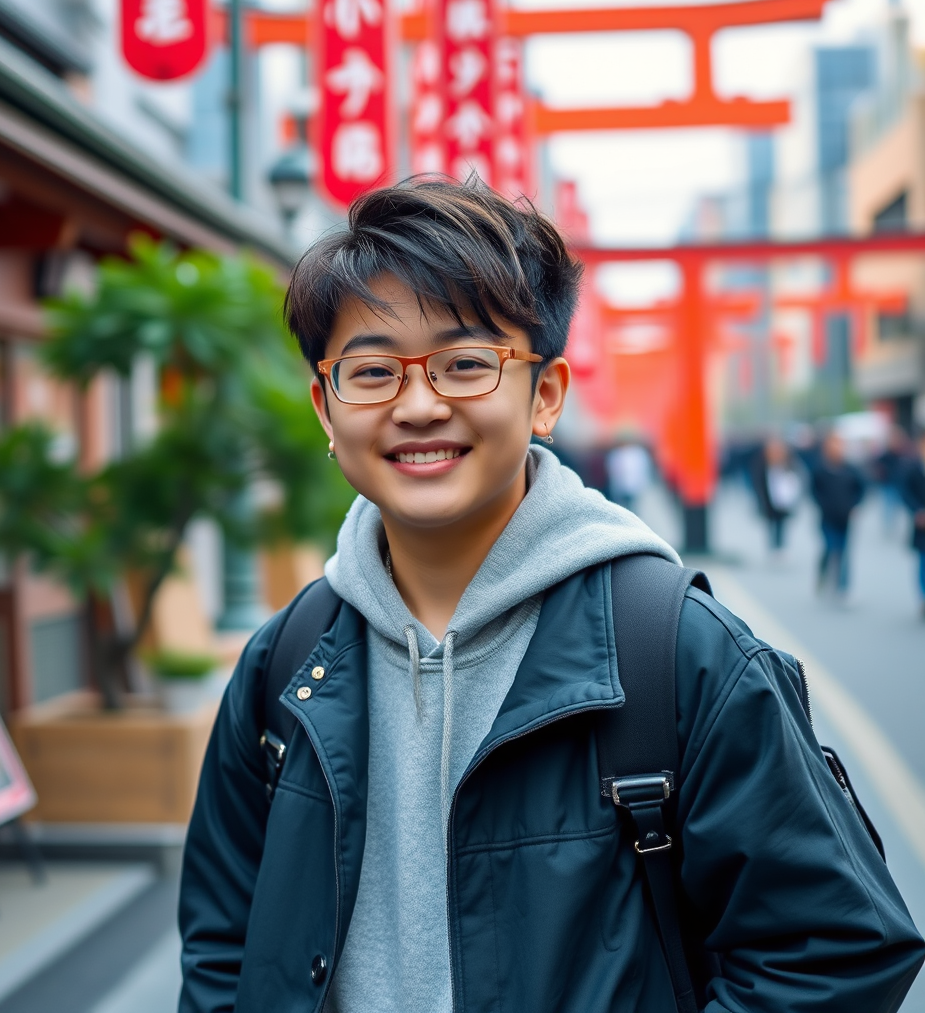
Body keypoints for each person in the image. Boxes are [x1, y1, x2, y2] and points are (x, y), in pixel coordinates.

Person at [178, 177, 923, 1013]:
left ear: (546, 395)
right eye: (373, 370)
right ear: (326, 406)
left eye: (465, 364)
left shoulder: (677, 652)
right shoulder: (285, 662)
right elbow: (222, 946)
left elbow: (837, 946)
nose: (419, 405)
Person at [811, 430, 865, 598]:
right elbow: (814, 490)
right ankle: (823, 575)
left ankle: (842, 587)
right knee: (829, 548)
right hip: (827, 518)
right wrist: (823, 505)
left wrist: (855, 505)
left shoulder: (851, 469)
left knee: (844, 552)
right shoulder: (821, 469)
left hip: (846, 518)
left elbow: (862, 488)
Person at [750, 436, 802, 551]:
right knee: (771, 522)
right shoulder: (763, 463)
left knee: (781, 523)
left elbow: (794, 478)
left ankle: (780, 544)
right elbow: (758, 481)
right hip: (769, 498)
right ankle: (773, 544)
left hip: (783, 498)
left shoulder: (788, 462)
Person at [903, 429, 925, 618]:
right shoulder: (913, 467)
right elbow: (905, 492)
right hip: (921, 524)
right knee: (923, 562)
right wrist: (916, 511)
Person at [605, 438, 652, 511]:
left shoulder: (637, 453)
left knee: (633, 504)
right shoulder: (616, 454)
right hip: (622, 485)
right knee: (624, 504)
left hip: (633, 485)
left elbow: (642, 469)